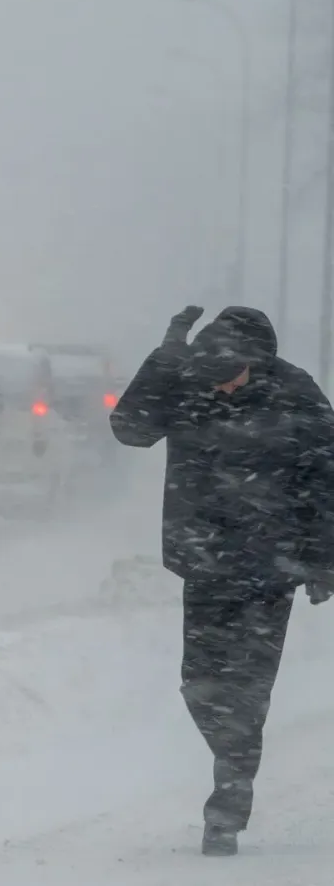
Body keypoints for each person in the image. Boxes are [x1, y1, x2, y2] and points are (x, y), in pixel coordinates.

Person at [109, 305, 334, 857]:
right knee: (201, 683)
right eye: (214, 374)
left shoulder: (297, 395)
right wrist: (163, 360)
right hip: (205, 560)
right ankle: (232, 758)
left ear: (259, 362)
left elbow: (328, 478)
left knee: (248, 689)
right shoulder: (187, 382)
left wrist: (324, 557)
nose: (224, 386)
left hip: (270, 567)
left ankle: (226, 807)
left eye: (231, 374)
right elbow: (130, 429)